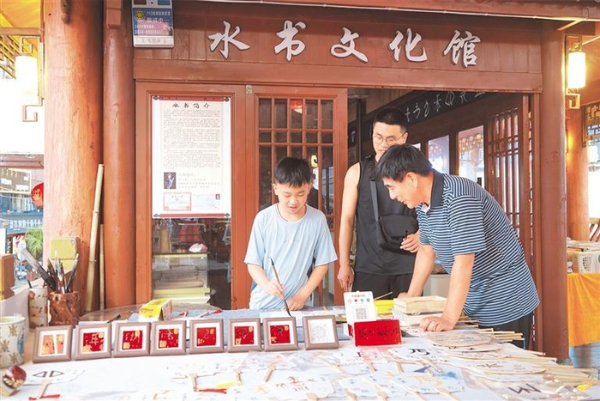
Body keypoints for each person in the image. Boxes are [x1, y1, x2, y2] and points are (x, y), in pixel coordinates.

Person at [377, 144, 539, 348]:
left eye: (391, 187)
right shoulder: (422, 203)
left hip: (505, 301)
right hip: (474, 302)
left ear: (411, 178)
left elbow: (464, 261)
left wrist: (447, 317)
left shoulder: (459, 196)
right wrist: (411, 299)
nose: (392, 196)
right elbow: (426, 250)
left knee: (504, 365)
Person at [338, 108, 420, 299]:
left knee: (407, 317)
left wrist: (422, 234)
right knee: (367, 318)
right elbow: (347, 220)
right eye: (378, 137)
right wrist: (344, 264)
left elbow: (434, 211)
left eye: (391, 139)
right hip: (368, 265)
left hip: (408, 265)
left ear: (404, 138)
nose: (383, 144)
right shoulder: (357, 172)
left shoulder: (417, 172)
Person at [245, 157, 337, 310]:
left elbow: (322, 264)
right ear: (275, 189)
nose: (293, 201)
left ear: (309, 188)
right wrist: (266, 284)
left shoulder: (317, 219)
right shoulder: (264, 218)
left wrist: (302, 296)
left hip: (298, 304)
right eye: (287, 195)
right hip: (263, 304)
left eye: (300, 194)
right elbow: (253, 263)